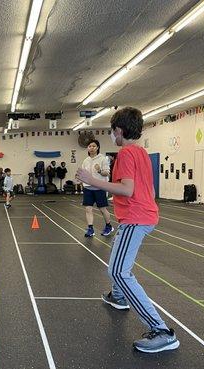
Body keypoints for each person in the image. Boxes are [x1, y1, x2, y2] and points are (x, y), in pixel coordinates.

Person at [76, 107, 179, 353]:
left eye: (112, 131)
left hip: (136, 217)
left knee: (119, 271)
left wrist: (93, 181)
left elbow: (127, 189)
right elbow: (147, 189)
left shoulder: (125, 155)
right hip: (141, 215)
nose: (112, 136)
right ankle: (118, 296)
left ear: (119, 131)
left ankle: (162, 331)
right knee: (117, 253)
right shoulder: (141, 153)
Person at [80, 140, 114, 237]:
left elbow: (107, 173)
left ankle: (108, 226)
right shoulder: (86, 160)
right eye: (90, 146)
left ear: (98, 147)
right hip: (88, 187)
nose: (91, 148)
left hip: (99, 187)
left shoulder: (103, 159)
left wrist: (99, 170)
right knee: (88, 209)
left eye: (94, 146)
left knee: (102, 209)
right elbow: (83, 173)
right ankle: (90, 229)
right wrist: (80, 179)